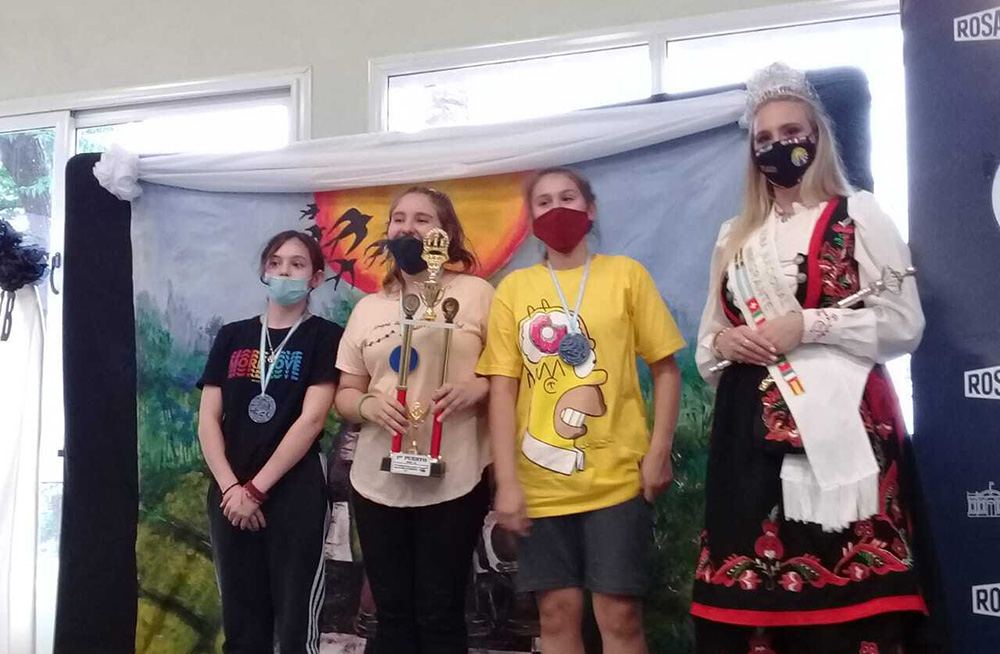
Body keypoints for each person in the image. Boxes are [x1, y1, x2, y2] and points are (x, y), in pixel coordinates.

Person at [691, 62, 927, 654]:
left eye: (791, 132)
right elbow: (708, 342)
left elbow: (905, 325)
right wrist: (725, 343)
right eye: (765, 138)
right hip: (749, 438)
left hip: (842, 424)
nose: (779, 146)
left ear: (818, 136)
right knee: (755, 605)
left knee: (850, 600)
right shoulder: (734, 236)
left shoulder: (859, 213)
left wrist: (811, 323)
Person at [477, 167, 685, 654]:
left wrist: (659, 450)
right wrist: (507, 482)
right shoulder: (514, 289)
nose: (557, 208)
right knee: (555, 612)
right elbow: (502, 390)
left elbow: (666, 370)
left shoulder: (626, 275)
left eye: (567, 197)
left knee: (620, 615)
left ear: (590, 209)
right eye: (544, 201)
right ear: (531, 219)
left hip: (618, 480)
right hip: (541, 483)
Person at [333, 186, 493, 654]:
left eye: (423, 219)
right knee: (392, 615)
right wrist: (367, 406)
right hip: (377, 483)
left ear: (447, 233)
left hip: (455, 478)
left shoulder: (477, 294)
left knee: (441, 612)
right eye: (399, 218)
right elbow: (345, 394)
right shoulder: (368, 308)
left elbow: (506, 376)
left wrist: (477, 388)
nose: (408, 228)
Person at [197, 230, 342, 654]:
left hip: (293, 490)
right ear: (264, 270)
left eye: (297, 264)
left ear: (315, 277)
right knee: (241, 620)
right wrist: (231, 488)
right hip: (230, 492)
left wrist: (257, 490)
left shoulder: (325, 336)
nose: (284, 272)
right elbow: (208, 419)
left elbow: (311, 420)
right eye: (276, 263)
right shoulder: (232, 336)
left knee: (295, 622)